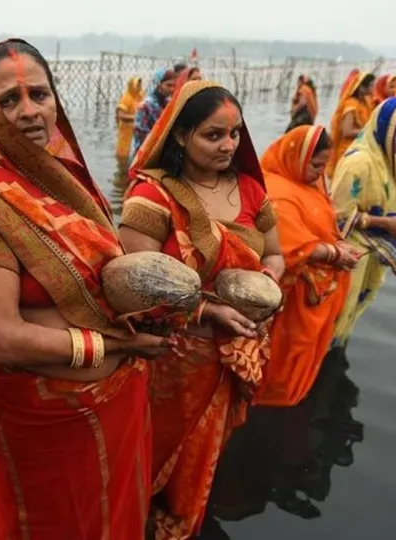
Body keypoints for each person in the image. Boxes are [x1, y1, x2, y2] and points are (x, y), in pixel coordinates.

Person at [0, 39, 174, 540]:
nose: (29, 112)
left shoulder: (61, 177)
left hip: (112, 400)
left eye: (39, 95)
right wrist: (121, 344)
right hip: (45, 421)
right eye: (8, 100)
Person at [119, 81, 285, 539]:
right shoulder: (152, 199)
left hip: (233, 349)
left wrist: (267, 285)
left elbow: (275, 254)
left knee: (204, 451)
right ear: (179, 135)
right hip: (168, 355)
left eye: (234, 134)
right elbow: (132, 286)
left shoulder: (251, 190)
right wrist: (205, 312)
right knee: (153, 450)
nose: (228, 145)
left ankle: (182, 520)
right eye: (213, 135)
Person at [255, 125, 355, 407]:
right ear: (294, 156)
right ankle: (269, 402)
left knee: (299, 357)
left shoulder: (306, 185)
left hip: (312, 294)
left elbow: (321, 228)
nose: (321, 172)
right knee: (282, 358)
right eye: (316, 164)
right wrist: (335, 254)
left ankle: (290, 396)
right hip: (290, 297)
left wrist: (337, 243)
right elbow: (289, 245)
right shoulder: (276, 192)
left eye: (325, 165)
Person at [330, 97, 396, 347]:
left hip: (370, 251)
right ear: (386, 129)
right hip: (351, 255)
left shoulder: (388, 158)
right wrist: (386, 224)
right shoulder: (358, 162)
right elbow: (336, 217)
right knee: (336, 320)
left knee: (350, 318)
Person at [326, 70, 375, 179]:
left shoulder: (365, 103)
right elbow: (347, 131)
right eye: (371, 85)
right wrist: (369, 131)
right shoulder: (351, 104)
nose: (373, 88)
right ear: (361, 87)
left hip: (359, 149)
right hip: (348, 151)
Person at [131, 67, 177, 160]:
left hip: (161, 154)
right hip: (144, 156)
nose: (172, 89)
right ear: (158, 85)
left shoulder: (168, 104)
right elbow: (140, 133)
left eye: (173, 86)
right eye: (168, 85)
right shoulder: (145, 106)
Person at [115, 77, 144, 163]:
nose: (139, 87)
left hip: (136, 129)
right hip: (126, 129)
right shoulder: (126, 98)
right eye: (137, 85)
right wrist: (137, 117)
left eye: (140, 85)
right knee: (123, 153)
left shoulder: (140, 96)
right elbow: (121, 115)